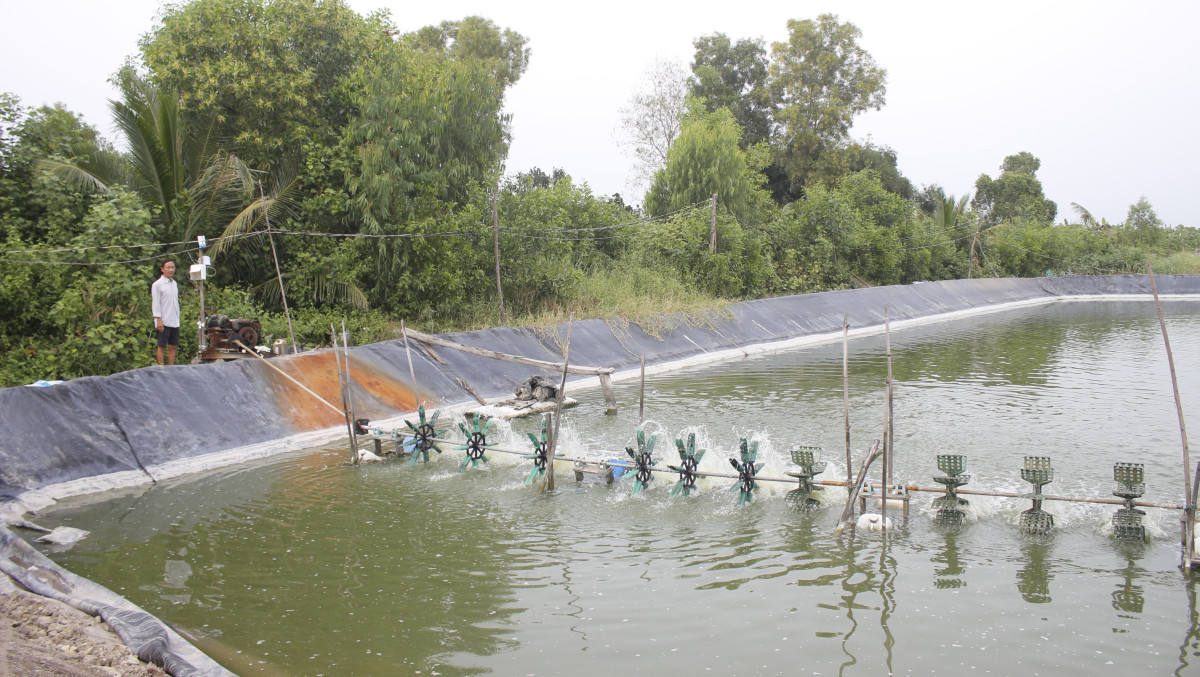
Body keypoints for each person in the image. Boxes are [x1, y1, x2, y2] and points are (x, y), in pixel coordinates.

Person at [151, 259, 180, 365]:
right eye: (168, 267)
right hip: (163, 320)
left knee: (173, 346)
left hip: (174, 320)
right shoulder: (157, 284)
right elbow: (156, 303)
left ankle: (171, 368)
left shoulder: (174, 283)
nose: (171, 270)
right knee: (162, 346)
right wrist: (158, 319)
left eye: (173, 267)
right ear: (162, 269)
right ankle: (161, 369)